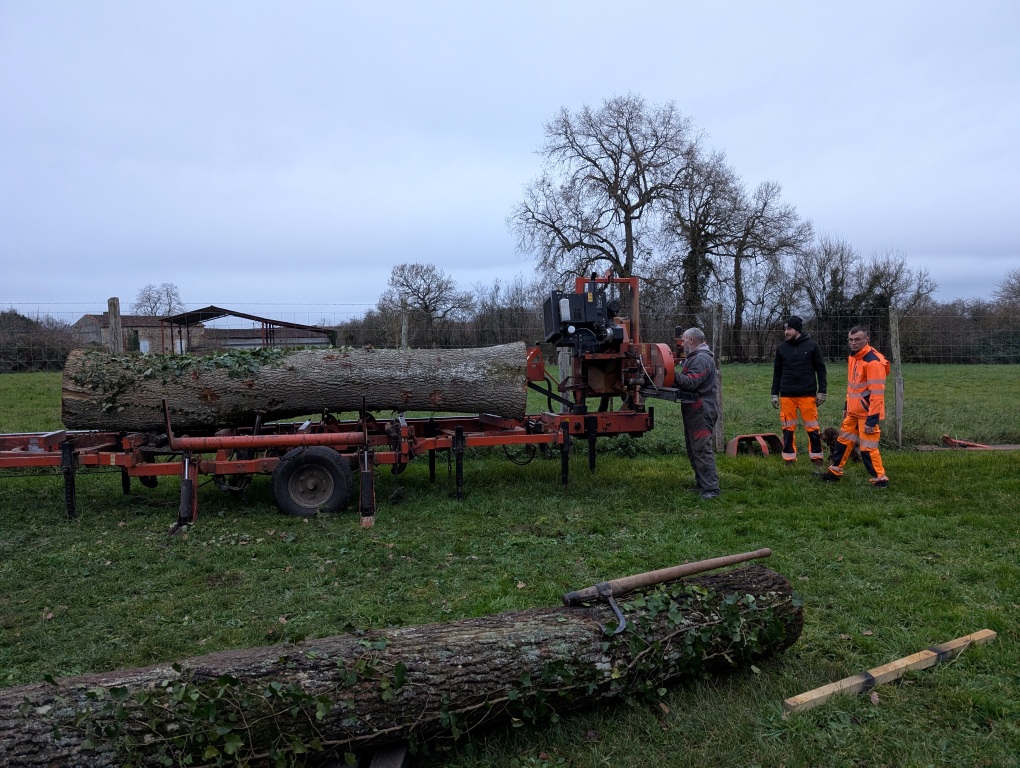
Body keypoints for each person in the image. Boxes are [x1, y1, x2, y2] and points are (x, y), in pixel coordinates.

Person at [820, 325, 890, 487]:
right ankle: (834, 472)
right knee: (843, 443)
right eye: (850, 340)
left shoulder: (873, 362)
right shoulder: (854, 357)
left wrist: (872, 421)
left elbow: (877, 394)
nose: (853, 343)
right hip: (853, 412)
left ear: (867, 339)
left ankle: (880, 480)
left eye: (857, 339)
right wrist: (847, 406)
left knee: (868, 449)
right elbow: (853, 386)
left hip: (867, 414)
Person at [770, 315, 827, 465]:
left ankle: (817, 458)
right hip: (787, 395)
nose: (786, 332)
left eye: (789, 329)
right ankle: (789, 459)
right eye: (785, 329)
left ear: (797, 330)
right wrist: (774, 394)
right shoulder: (781, 348)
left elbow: (821, 370)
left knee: (812, 428)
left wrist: (822, 391)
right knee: (788, 429)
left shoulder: (812, 346)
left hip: (807, 395)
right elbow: (777, 372)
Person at [676, 327, 721, 499]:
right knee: (693, 448)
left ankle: (711, 488)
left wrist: (669, 374)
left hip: (701, 410)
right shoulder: (694, 358)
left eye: (684, 340)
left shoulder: (701, 359)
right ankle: (702, 483)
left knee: (701, 449)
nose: (682, 343)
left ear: (692, 340)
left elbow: (691, 382)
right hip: (694, 409)